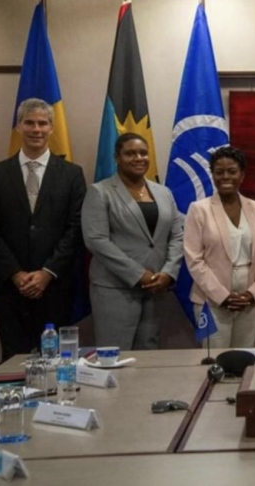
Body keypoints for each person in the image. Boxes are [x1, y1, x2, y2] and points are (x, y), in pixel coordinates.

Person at [0, 98, 87, 360]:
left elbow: (76, 228)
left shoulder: (72, 174)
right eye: (29, 123)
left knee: (57, 361)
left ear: (51, 128)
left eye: (42, 123)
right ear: (18, 126)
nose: (36, 129)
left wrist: (47, 273)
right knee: (12, 359)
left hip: (55, 286)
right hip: (10, 287)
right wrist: (16, 274)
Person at [82, 132, 183, 350]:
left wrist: (168, 273)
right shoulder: (100, 191)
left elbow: (177, 235)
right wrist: (138, 274)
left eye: (143, 153)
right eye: (130, 153)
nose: (139, 158)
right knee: (114, 353)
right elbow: (96, 240)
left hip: (156, 288)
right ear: (117, 157)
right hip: (115, 288)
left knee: (149, 353)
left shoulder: (164, 193)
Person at [183, 146, 255, 348]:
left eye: (232, 171)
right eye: (219, 172)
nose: (225, 177)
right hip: (211, 301)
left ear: (242, 175)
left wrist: (254, 293)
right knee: (215, 358)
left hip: (248, 302)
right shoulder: (198, 210)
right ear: (212, 174)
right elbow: (194, 260)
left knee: (244, 357)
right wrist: (222, 296)